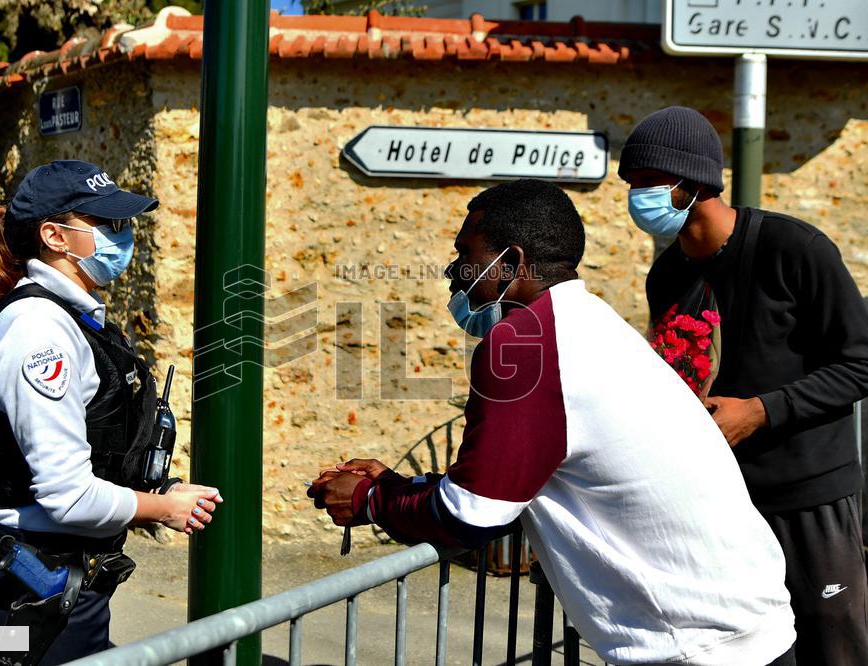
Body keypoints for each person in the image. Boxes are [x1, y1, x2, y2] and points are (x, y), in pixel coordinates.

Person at [308, 179, 797, 666]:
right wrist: (402, 484)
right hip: (748, 626)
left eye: (466, 254)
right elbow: (510, 482)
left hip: (698, 646)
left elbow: (471, 514)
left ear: (512, 263)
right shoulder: (587, 320)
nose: (453, 271)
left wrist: (368, 498)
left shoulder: (524, 344)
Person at [618, 106, 868, 666]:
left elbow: (860, 363)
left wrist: (760, 411)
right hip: (719, 504)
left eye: (645, 183)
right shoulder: (669, 274)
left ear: (691, 184)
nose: (634, 198)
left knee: (835, 649)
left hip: (810, 497)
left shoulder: (796, 249)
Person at [0, 160, 223, 665]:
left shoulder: (74, 318)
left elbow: (95, 449)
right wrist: (164, 510)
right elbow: (68, 496)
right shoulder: (38, 333)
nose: (124, 235)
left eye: (124, 223)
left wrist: (158, 490)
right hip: (24, 589)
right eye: (108, 224)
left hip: (64, 583)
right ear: (54, 235)